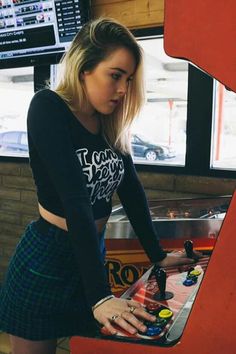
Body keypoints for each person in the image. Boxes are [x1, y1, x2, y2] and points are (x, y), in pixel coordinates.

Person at [0, 18, 199, 354]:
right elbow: (75, 199)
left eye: (129, 79)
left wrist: (158, 256)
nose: (123, 89)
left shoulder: (109, 122)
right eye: (115, 75)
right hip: (46, 259)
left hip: (91, 254)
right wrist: (100, 296)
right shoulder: (48, 107)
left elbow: (132, 190)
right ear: (84, 69)